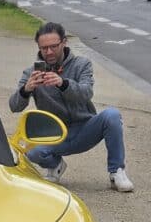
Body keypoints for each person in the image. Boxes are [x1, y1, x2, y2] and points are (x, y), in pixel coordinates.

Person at [9, 21, 133, 191]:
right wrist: (26, 89)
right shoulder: (32, 72)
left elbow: (86, 93)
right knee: (31, 151)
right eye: (44, 48)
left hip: (85, 128)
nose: (49, 52)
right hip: (55, 133)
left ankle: (116, 171)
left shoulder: (82, 64)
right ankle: (55, 165)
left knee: (112, 115)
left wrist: (64, 84)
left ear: (64, 42)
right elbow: (14, 106)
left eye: (54, 46)